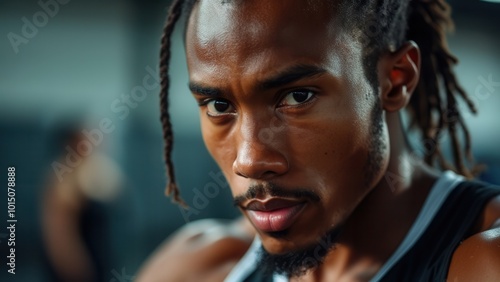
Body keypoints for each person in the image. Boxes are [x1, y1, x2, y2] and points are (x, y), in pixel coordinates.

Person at [137, 0, 500, 281]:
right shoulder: (201, 267)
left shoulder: (485, 262)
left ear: (396, 79)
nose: (249, 160)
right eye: (219, 105)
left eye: (297, 98)